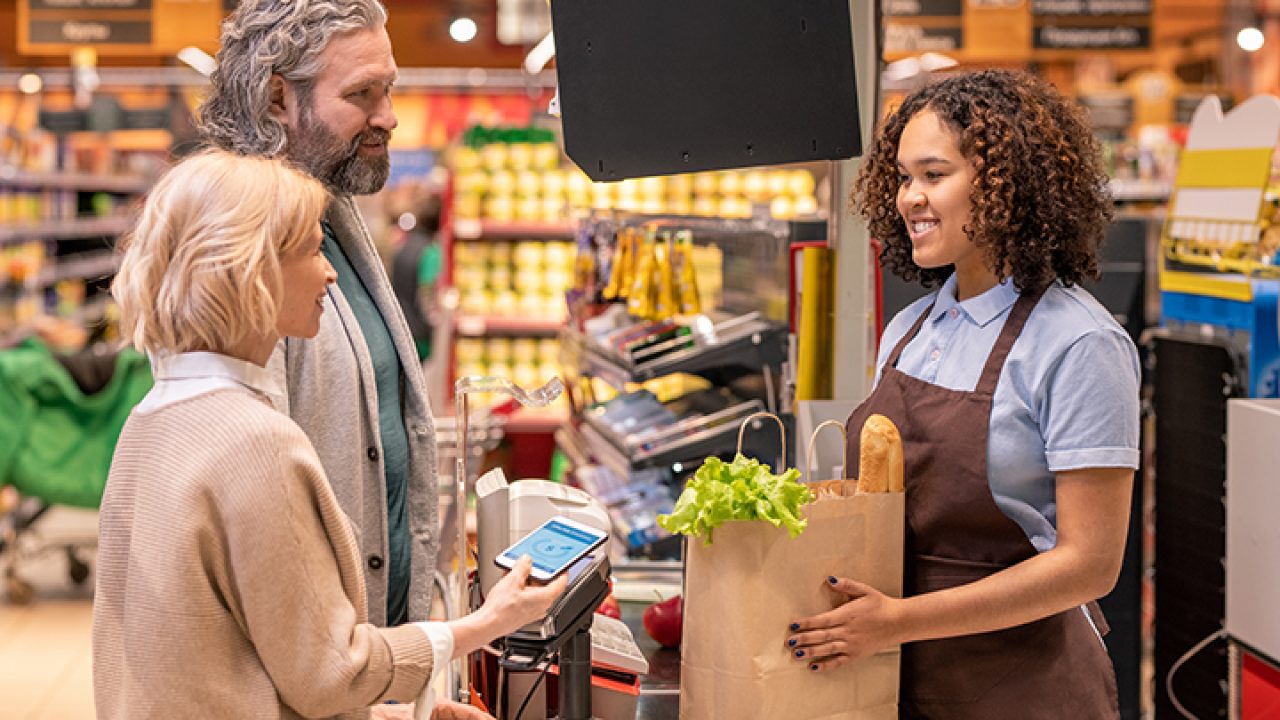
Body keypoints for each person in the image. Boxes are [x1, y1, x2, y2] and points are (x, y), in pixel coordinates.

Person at [93, 150, 567, 719]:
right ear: (254, 268)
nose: (331, 272)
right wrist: (487, 623)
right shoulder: (258, 444)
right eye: (314, 249)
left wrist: (392, 716)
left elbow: (217, 658)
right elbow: (332, 672)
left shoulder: (151, 421)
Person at [787, 69, 1139, 719]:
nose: (908, 198)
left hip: (1022, 684)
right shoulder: (909, 330)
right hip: (896, 678)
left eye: (933, 174)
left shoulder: (1079, 343)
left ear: (1007, 181)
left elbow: (1090, 565)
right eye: (901, 178)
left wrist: (897, 622)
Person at [199, 0, 435, 653]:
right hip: (308, 672)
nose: (387, 116)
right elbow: (247, 514)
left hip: (367, 659)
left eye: (389, 89)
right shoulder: (238, 248)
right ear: (278, 99)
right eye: (361, 94)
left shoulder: (331, 213)